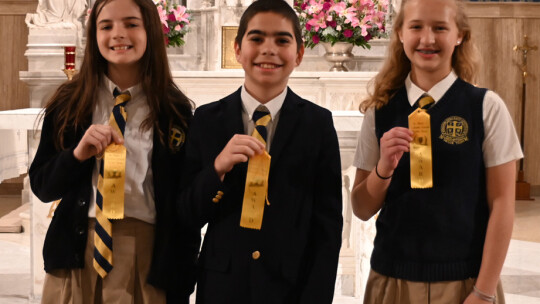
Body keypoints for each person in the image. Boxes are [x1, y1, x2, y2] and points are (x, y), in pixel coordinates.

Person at [351, 0, 523, 303]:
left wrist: (483, 292)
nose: (427, 39)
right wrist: (383, 169)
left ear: (460, 36)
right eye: (416, 27)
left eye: (440, 28)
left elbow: (502, 205)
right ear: (401, 34)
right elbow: (362, 208)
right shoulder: (380, 111)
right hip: (393, 280)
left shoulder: (485, 108)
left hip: (465, 281)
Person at [29, 0, 200, 302]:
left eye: (131, 24)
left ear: (150, 31)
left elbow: (181, 201)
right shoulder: (70, 103)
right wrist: (77, 155)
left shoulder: (174, 110)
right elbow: (43, 186)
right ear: (93, 36)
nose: (118, 34)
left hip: (146, 252)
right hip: (78, 251)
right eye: (106, 26)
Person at [176, 1, 343, 303]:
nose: (269, 49)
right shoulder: (207, 119)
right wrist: (217, 170)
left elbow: (327, 227)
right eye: (257, 39)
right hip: (222, 286)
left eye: (282, 40)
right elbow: (187, 213)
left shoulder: (316, 124)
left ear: (299, 54)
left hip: (290, 286)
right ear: (237, 49)